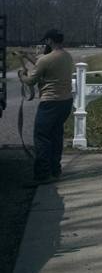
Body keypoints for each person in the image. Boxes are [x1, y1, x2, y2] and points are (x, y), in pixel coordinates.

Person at [18, 29, 75, 186]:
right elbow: (43, 63)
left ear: (50, 40)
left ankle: (43, 175)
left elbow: (30, 81)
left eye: (46, 41)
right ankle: (55, 170)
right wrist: (27, 56)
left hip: (50, 103)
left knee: (42, 137)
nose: (45, 43)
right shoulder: (67, 56)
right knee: (56, 136)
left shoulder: (46, 59)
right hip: (65, 102)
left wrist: (21, 75)